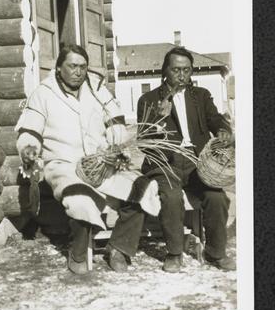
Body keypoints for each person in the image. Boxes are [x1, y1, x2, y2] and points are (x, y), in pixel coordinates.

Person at [16, 44, 157, 275]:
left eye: (82, 67)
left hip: (100, 161)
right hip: (64, 164)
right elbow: (30, 129)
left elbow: (115, 120)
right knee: (80, 200)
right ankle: (78, 252)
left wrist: (116, 142)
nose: (78, 72)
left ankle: (119, 248)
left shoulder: (96, 87)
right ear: (59, 67)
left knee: (140, 187)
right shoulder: (44, 93)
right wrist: (29, 149)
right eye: (72, 66)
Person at [137, 46, 235, 273]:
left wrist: (222, 130)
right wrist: (159, 119)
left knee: (217, 197)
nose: (181, 75)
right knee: (171, 197)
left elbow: (216, 120)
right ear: (165, 71)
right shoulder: (149, 99)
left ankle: (215, 252)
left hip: (196, 161)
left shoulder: (200, 96)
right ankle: (174, 253)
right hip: (165, 163)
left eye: (186, 70)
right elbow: (143, 142)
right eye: (176, 70)